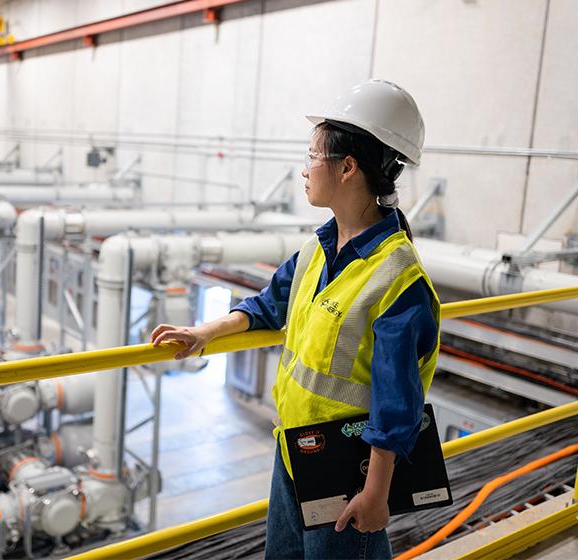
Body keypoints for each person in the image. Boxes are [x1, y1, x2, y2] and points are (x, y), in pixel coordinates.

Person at [151, 79, 440, 559]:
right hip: (295, 451)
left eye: (312, 157)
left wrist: (377, 493)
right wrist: (204, 332)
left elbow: (397, 399)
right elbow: (268, 306)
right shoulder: (318, 249)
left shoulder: (397, 277)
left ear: (348, 168)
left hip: (350, 470)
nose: (304, 170)